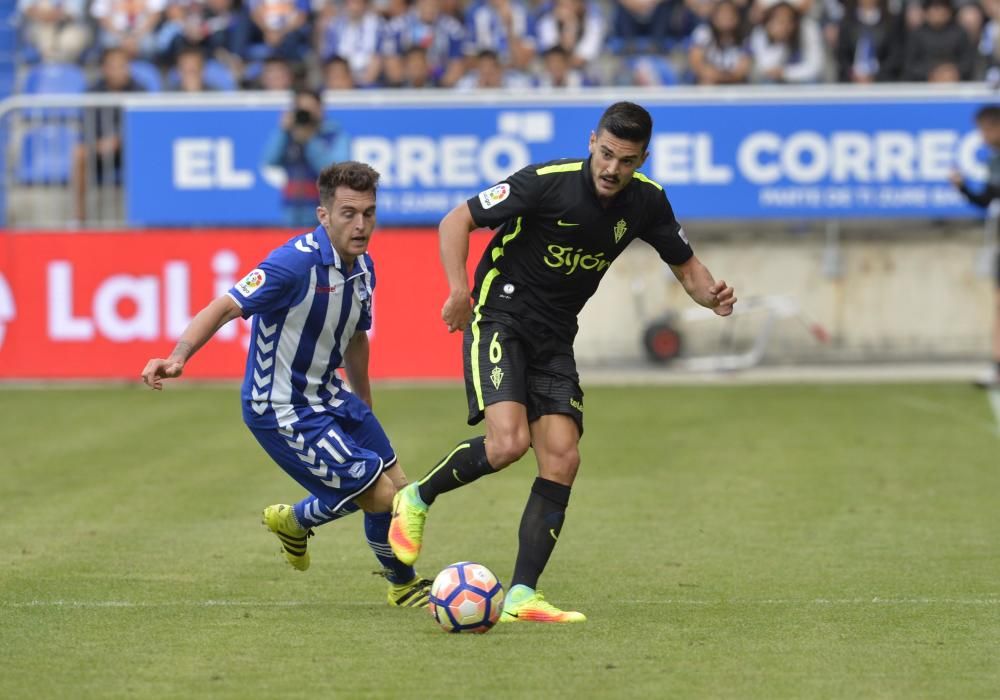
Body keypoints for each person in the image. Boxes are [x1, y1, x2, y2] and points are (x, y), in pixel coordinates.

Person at [388, 102, 737, 623]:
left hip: (554, 338)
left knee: (562, 459)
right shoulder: (545, 182)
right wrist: (459, 290)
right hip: (500, 315)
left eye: (627, 160)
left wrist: (710, 296)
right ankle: (415, 497)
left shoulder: (647, 203)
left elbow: (686, 266)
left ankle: (523, 595)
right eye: (606, 154)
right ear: (591, 141)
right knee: (509, 443)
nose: (612, 169)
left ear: (643, 159)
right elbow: (455, 220)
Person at [141, 161, 433, 608]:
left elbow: (356, 338)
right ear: (323, 215)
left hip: (330, 396)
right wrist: (178, 356)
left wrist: (364, 404)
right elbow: (224, 306)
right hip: (281, 408)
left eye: (369, 213)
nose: (361, 225)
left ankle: (297, 521)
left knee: (400, 488)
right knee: (381, 495)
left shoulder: (363, 268)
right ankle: (403, 584)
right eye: (349, 213)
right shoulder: (291, 265)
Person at [949, 104, 1000, 388]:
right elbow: (987, 199)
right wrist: (962, 187)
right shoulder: (994, 161)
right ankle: (997, 366)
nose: (981, 136)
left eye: (985, 129)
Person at [262, 88, 350, 228]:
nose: (306, 115)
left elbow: (336, 169)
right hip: (291, 211)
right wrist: (282, 131)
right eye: (301, 109)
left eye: (310, 109)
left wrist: (310, 141)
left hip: (325, 212)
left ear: (320, 110)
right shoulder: (288, 135)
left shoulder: (333, 134)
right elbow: (270, 160)